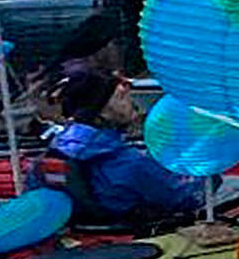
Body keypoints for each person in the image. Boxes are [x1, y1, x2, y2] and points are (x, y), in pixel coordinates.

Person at [48, 69, 206, 227]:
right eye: (121, 97)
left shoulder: (54, 152)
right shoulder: (131, 163)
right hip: (132, 233)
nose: (131, 101)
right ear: (100, 111)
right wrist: (208, 172)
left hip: (79, 233)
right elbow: (186, 197)